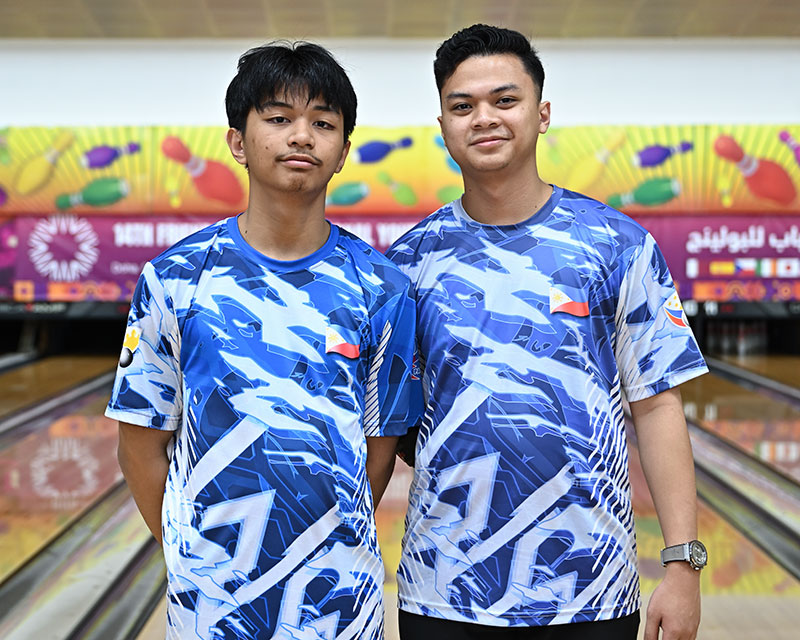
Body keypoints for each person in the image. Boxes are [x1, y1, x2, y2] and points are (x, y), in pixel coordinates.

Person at [387, 24, 708, 640]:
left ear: (542, 114)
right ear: (444, 126)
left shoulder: (618, 244)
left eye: (505, 100)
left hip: (593, 590)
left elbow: (657, 406)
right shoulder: (408, 262)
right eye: (463, 106)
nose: (485, 118)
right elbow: (397, 423)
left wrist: (682, 565)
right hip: (444, 593)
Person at [106, 41, 421, 640]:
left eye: (322, 123)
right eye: (278, 118)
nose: (301, 136)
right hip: (209, 606)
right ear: (238, 141)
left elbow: (379, 450)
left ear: (343, 152)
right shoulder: (176, 278)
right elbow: (140, 445)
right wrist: (190, 556)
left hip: (340, 602)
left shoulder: (383, 288)